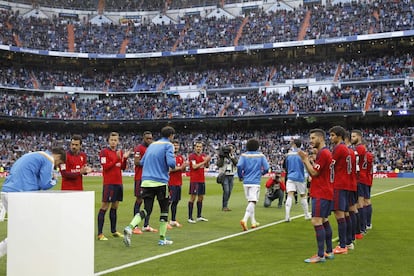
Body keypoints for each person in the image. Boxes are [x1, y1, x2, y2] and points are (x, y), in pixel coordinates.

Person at [0, 147, 66, 258]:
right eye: (59, 163)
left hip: (7, 191)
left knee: (22, 229)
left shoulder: (33, 154)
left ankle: (23, 256)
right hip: (20, 194)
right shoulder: (49, 159)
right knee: (22, 231)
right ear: (58, 156)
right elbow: (44, 184)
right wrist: (54, 180)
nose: (56, 166)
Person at [123, 126, 176, 246]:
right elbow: (171, 164)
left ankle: (130, 227)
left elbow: (142, 162)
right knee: (164, 210)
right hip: (161, 182)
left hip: (146, 181)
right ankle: (162, 239)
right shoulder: (168, 145)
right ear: (171, 136)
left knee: (147, 209)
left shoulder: (152, 145)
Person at [298, 129, 334, 263]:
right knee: (324, 220)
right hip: (326, 191)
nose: (311, 141)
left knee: (316, 221)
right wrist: (307, 162)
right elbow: (315, 171)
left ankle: (320, 255)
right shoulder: (324, 153)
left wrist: (305, 159)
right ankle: (329, 251)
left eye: (313, 138)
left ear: (320, 138)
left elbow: (314, 173)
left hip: (321, 192)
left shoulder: (324, 153)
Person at [97, 132, 131, 241]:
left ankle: (113, 231)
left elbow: (123, 168)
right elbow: (105, 167)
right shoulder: (104, 152)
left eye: (115, 140)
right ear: (108, 140)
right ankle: (100, 233)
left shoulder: (119, 152)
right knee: (104, 207)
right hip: (109, 183)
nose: (113, 142)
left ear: (118, 141)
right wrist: (116, 159)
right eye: (111, 140)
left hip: (118, 183)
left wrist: (124, 158)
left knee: (115, 207)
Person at [329, 125, 353, 255]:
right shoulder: (347, 149)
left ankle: (342, 245)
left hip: (339, 184)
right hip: (346, 183)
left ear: (339, 136)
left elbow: (330, 165)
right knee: (345, 213)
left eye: (333, 135)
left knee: (339, 214)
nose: (331, 138)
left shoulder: (339, 148)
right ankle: (348, 242)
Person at [237, 138, 270, 231]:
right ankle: (244, 219)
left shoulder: (244, 155)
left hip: (246, 181)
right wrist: (261, 173)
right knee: (253, 201)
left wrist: (240, 176)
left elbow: (239, 166)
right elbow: (267, 168)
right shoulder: (261, 156)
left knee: (250, 201)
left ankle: (253, 222)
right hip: (255, 182)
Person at [132, 131, 156, 235]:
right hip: (140, 178)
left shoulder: (152, 148)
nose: (149, 140)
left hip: (150, 178)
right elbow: (136, 162)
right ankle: (135, 226)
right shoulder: (139, 148)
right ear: (144, 138)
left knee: (148, 201)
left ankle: (146, 225)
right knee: (139, 200)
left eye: (151, 138)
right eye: (147, 138)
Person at [351, 130, 374, 235]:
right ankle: (367, 224)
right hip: (366, 178)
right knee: (366, 201)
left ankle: (363, 226)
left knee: (360, 203)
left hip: (360, 178)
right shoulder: (368, 154)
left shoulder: (358, 149)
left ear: (359, 137)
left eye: (354, 136)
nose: (352, 138)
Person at [283, 138, 310, 221]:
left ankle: (287, 216)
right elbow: (306, 165)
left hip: (290, 177)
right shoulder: (303, 154)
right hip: (300, 177)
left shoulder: (288, 155)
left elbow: (285, 167)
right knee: (303, 195)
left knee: (289, 195)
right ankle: (306, 215)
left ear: (294, 145)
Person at [187, 141, 211, 223]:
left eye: (200, 147)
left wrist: (207, 161)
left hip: (201, 179)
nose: (199, 148)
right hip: (194, 180)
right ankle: (190, 217)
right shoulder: (192, 156)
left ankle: (199, 216)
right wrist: (204, 161)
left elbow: (207, 166)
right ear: (195, 147)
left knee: (201, 197)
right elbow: (194, 167)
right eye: (197, 146)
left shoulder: (203, 156)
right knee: (193, 198)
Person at [168, 140, 187, 227]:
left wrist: (184, 167)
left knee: (175, 202)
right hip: (171, 183)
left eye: (177, 145)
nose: (176, 147)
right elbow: (169, 170)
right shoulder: (169, 156)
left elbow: (182, 170)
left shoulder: (180, 157)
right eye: (174, 145)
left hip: (178, 182)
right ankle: (164, 221)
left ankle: (173, 220)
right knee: (168, 202)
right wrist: (180, 168)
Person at [216, 144, 238, 211]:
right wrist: (222, 157)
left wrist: (231, 157)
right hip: (224, 175)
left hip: (231, 175)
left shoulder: (233, 156)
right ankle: (224, 206)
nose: (230, 151)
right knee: (226, 191)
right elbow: (219, 164)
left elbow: (236, 163)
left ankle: (226, 205)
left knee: (229, 191)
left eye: (231, 149)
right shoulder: (222, 157)